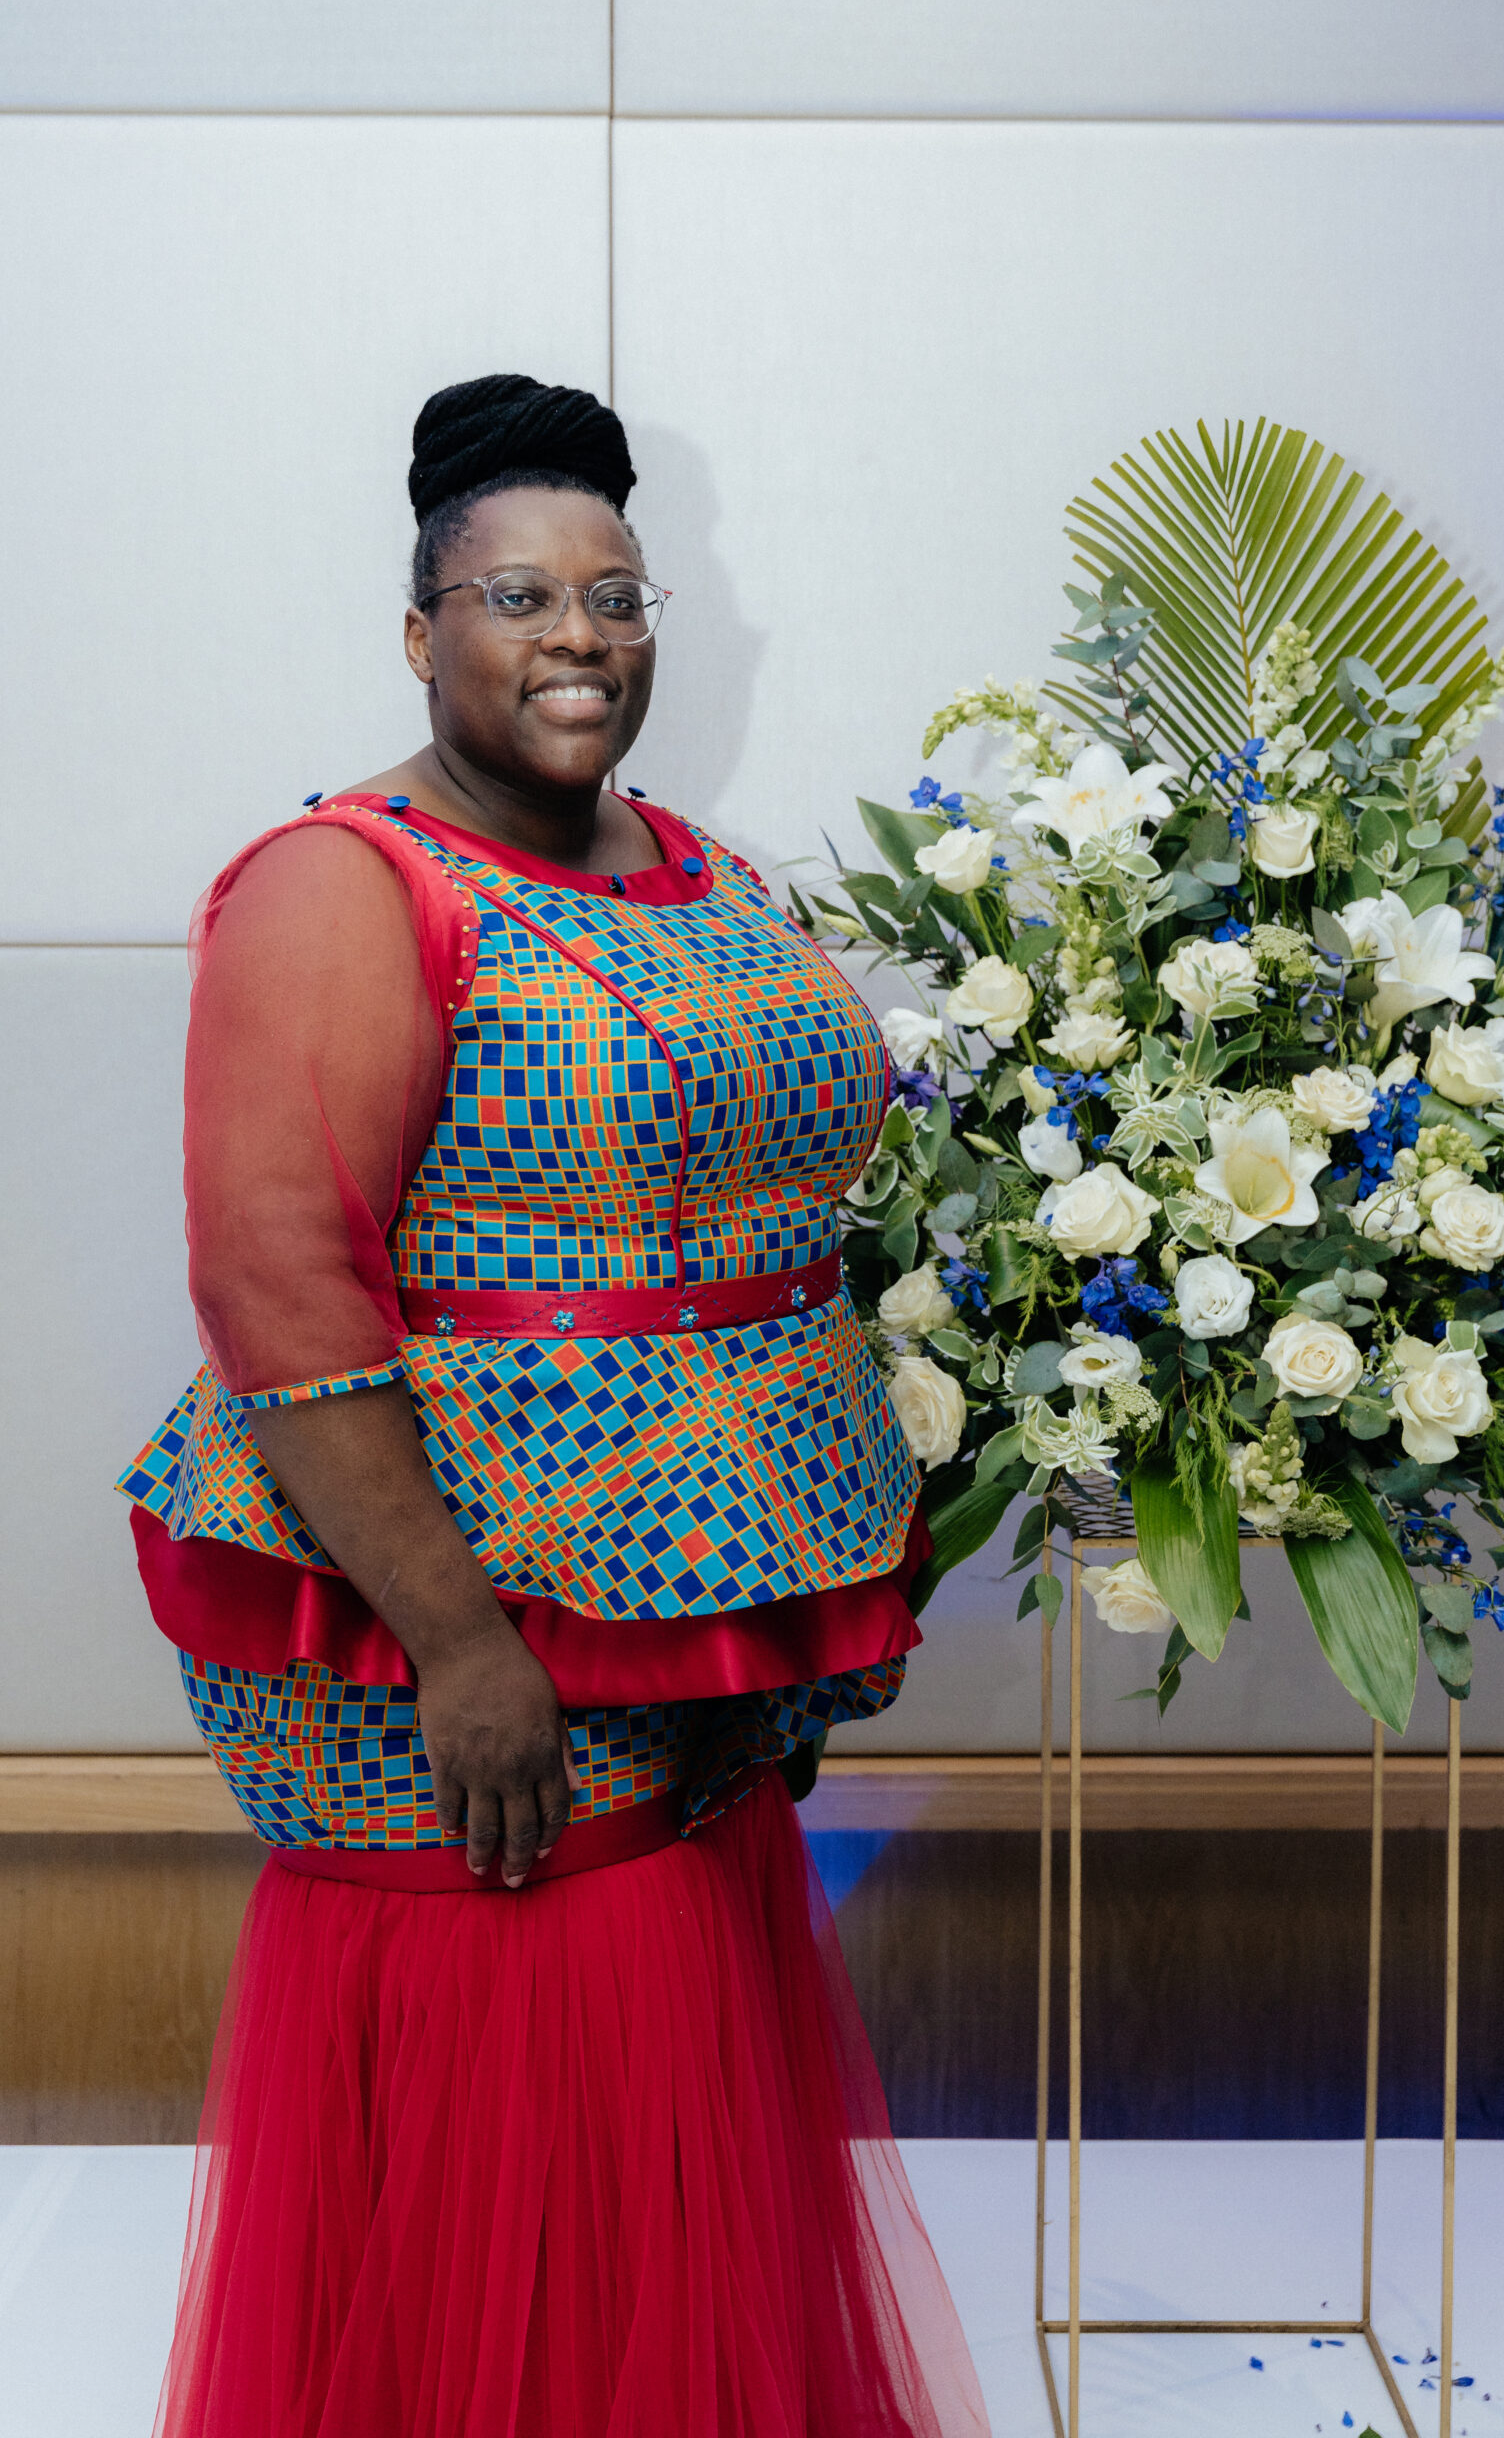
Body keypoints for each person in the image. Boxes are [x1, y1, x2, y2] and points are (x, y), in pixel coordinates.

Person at [123, 373, 989, 2438]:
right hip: (467, 1623)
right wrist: (458, 1643)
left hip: (692, 1618)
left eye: (615, 592)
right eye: (517, 595)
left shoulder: (698, 865)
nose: (578, 634)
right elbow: (279, 1294)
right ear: (421, 630)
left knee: (664, 2101)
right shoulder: (347, 884)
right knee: (522, 2101)